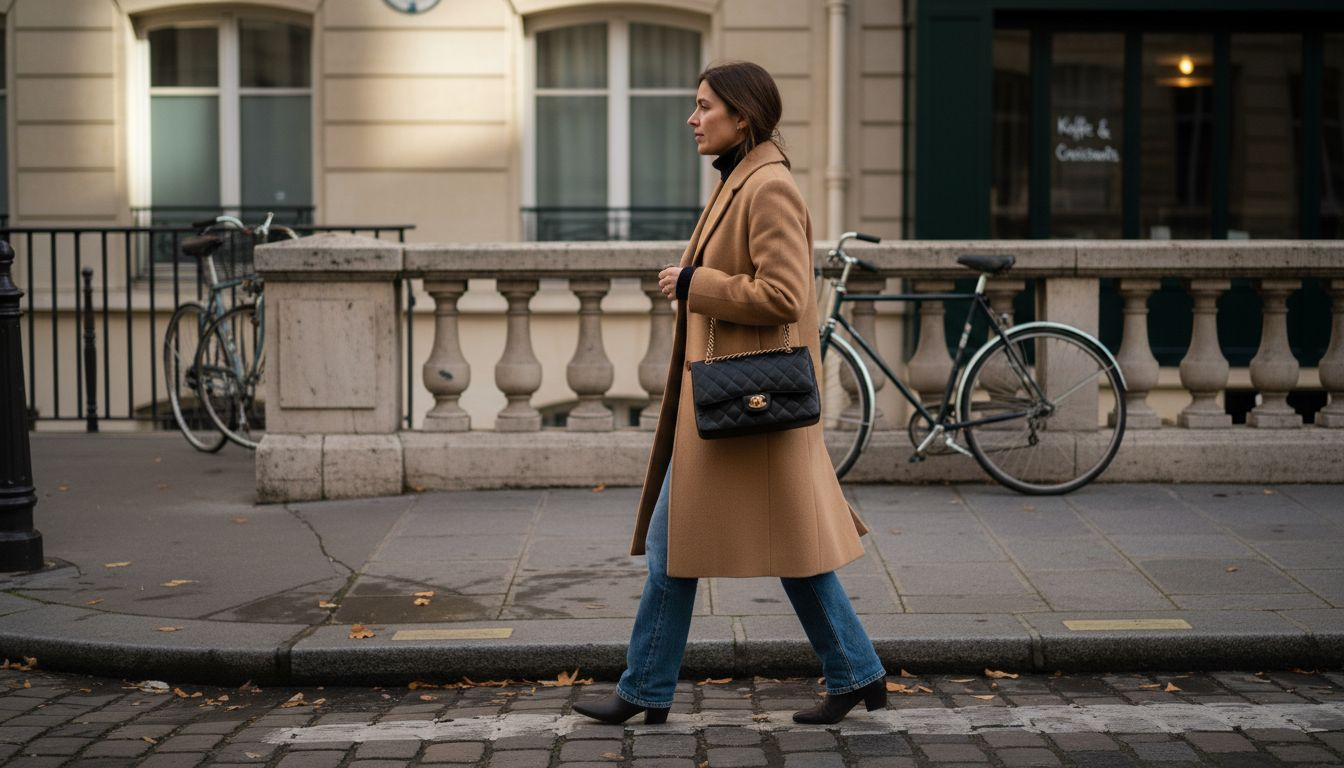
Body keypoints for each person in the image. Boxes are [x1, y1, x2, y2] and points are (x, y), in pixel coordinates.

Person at [572, 61, 888, 727]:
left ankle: (645, 690)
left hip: (748, 407)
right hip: (735, 408)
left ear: (741, 117)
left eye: (704, 106)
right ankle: (853, 671)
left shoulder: (767, 187)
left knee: (697, 547)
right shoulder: (742, 181)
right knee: (762, 549)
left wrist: (695, 284)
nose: (693, 118)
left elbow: (783, 296)